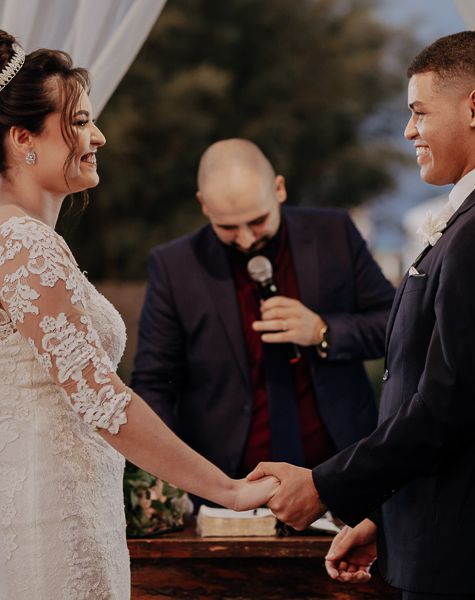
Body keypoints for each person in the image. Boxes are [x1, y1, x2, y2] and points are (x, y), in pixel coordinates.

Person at [0, 29, 276, 599]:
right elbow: (103, 401)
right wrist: (229, 491)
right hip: (45, 517)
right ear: (23, 139)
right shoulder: (22, 243)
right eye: (81, 122)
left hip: (21, 499)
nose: (99, 136)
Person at [249, 31, 475, 598]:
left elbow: (450, 405)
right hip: (449, 542)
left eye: (420, 112)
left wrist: (326, 486)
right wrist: (388, 521)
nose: (409, 131)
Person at [131, 139, 396, 499]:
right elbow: (154, 381)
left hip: (342, 472)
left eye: (257, 221)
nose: (245, 240)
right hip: (225, 487)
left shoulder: (333, 233)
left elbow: (395, 324)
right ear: (203, 204)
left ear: (279, 189)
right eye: (227, 227)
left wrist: (323, 331)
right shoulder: (174, 266)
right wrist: (165, 480)